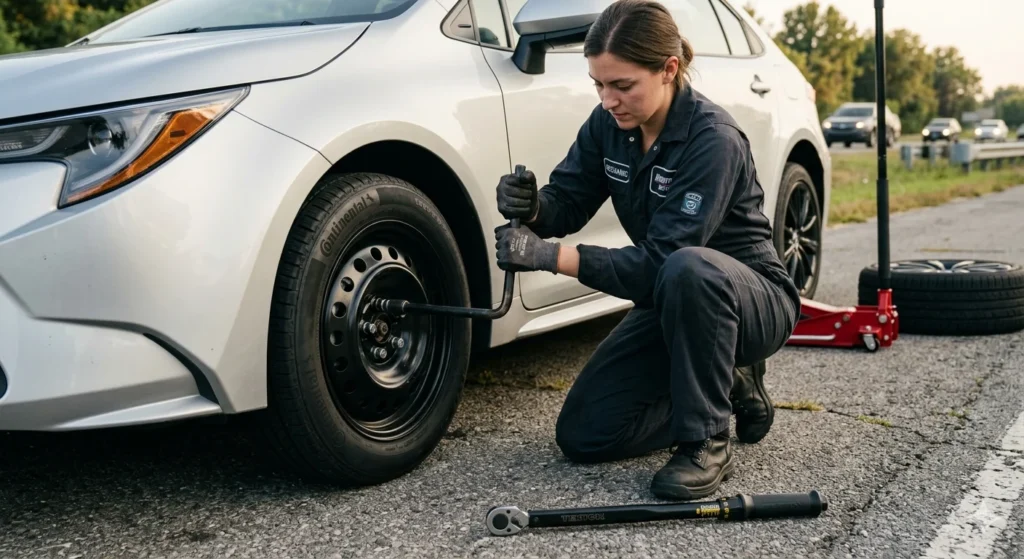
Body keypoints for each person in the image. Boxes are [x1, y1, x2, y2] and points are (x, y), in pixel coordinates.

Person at [492, 0, 801, 500]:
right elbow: (567, 202)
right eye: (598, 84)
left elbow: (661, 263)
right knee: (585, 434)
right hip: (673, 296)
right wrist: (533, 208)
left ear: (669, 69)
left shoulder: (712, 139)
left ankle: (706, 440)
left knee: (688, 267)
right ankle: (727, 383)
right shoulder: (608, 125)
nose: (608, 100)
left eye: (622, 85)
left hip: (751, 301)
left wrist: (551, 257)